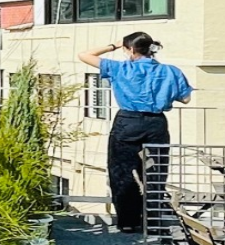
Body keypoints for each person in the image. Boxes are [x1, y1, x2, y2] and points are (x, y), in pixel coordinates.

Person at [78, 31, 192, 233]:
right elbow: (185, 99)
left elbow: (84, 55)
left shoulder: (120, 68)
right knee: (155, 173)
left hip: (128, 122)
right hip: (156, 123)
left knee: (123, 172)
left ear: (130, 49)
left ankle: (128, 221)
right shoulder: (171, 71)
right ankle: (153, 220)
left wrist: (113, 46)